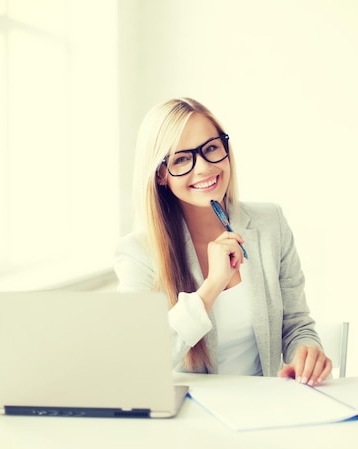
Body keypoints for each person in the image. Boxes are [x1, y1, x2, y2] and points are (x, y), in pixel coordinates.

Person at [114, 97, 332, 385]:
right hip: (192, 419)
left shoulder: (270, 223)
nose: (204, 168)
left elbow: (296, 325)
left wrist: (306, 353)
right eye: (181, 159)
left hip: (268, 409)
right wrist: (212, 286)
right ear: (161, 175)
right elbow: (138, 360)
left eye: (211, 148)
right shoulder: (137, 254)